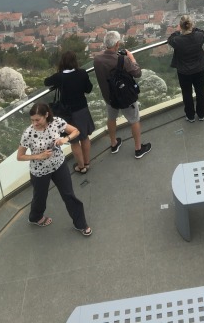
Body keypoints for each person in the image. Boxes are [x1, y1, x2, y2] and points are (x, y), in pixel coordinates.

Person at [17, 102, 92, 236]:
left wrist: (65, 139)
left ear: (46, 115)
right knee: (40, 197)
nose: (34, 123)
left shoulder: (57, 122)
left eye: (37, 120)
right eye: (32, 120)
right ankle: (35, 217)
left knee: (69, 195)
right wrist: (39, 156)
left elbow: (76, 131)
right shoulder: (28, 133)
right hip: (39, 171)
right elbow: (20, 156)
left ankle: (81, 224)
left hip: (59, 165)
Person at [93, 31, 151, 159]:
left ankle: (114, 144)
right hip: (125, 97)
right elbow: (137, 73)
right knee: (134, 120)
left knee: (111, 118)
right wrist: (132, 59)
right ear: (117, 44)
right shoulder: (123, 60)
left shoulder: (97, 60)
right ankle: (138, 149)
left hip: (109, 97)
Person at [44, 51, 95, 173]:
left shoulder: (59, 77)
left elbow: (46, 82)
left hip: (68, 113)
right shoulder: (82, 73)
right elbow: (88, 89)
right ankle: (87, 163)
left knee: (74, 141)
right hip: (82, 109)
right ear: (75, 61)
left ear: (62, 62)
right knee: (85, 137)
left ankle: (81, 167)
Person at [167, 15, 204, 122]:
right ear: (191, 25)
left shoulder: (177, 40)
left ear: (180, 26)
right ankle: (201, 114)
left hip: (184, 71)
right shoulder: (199, 36)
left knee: (186, 93)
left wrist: (177, 31)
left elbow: (170, 39)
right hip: (199, 68)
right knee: (200, 91)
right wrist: (193, 28)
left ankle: (190, 116)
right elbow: (203, 33)